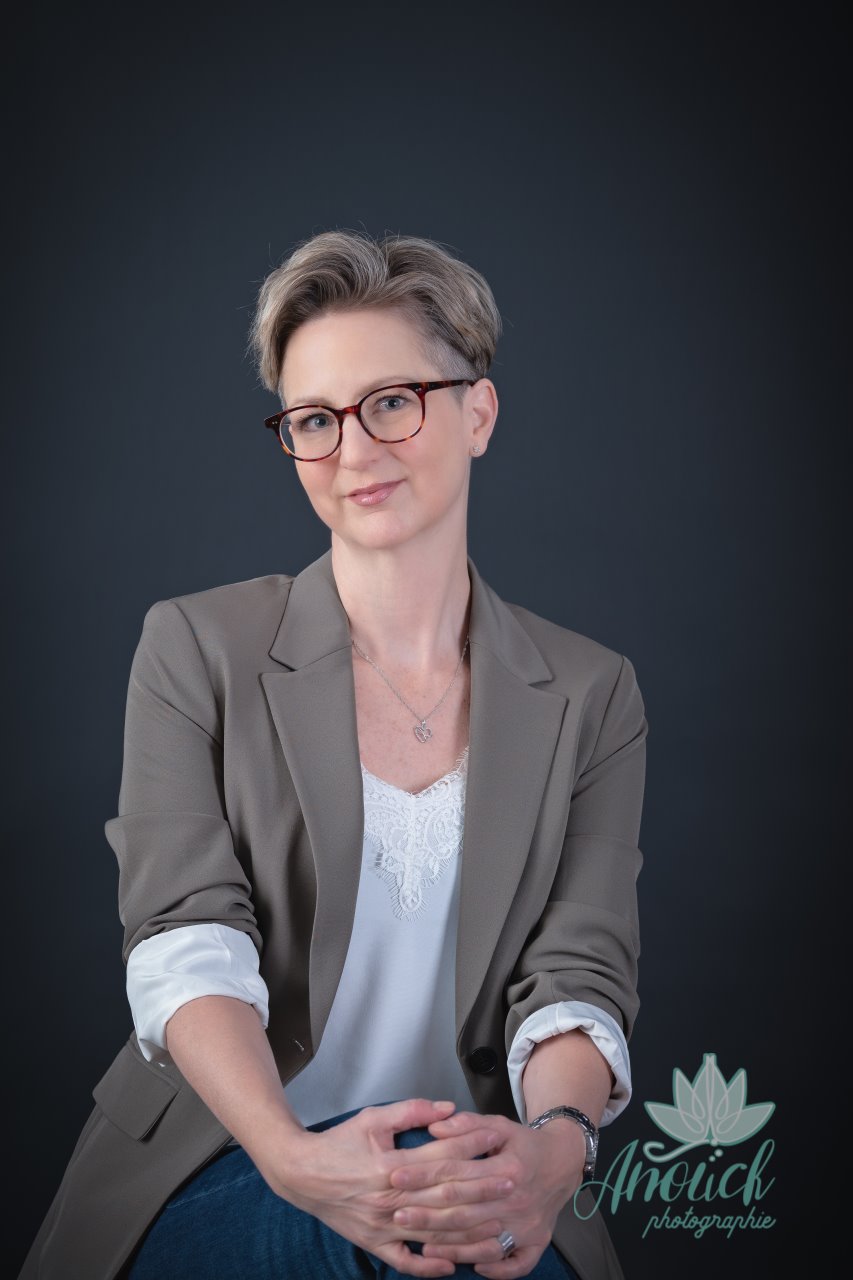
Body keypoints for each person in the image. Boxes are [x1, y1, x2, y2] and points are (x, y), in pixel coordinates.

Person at [19, 230, 648, 1280]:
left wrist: (554, 1150)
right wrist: (297, 1159)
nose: (353, 449)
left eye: (391, 401)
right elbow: (185, 939)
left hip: (474, 1173)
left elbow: (575, 972)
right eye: (314, 418)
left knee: (454, 1221)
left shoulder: (593, 693)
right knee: (415, 1222)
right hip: (229, 1164)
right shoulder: (195, 646)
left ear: (478, 413)